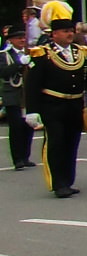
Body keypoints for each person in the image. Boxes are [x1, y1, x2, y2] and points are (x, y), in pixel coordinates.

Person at [25, 7, 87, 198]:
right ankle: (58, 183)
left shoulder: (80, 52)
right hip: (53, 105)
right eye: (65, 31)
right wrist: (32, 110)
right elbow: (32, 84)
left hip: (75, 105)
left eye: (71, 31)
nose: (69, 34)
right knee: (56, 143)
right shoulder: (42, 54)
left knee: (71, 143)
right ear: (54, 34)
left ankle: (68, 180)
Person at [2, 22, 33, 171]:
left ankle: (26, 156)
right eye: (18, 38)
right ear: (10, 40)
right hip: (13, 95)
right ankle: (18, 159)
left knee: (29, 126)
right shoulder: (4, 55)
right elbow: (4, 73)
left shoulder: (30, 53)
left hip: (27, 95)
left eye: (23, 37)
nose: (22, 40)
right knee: (16, 127)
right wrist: (19, 63)